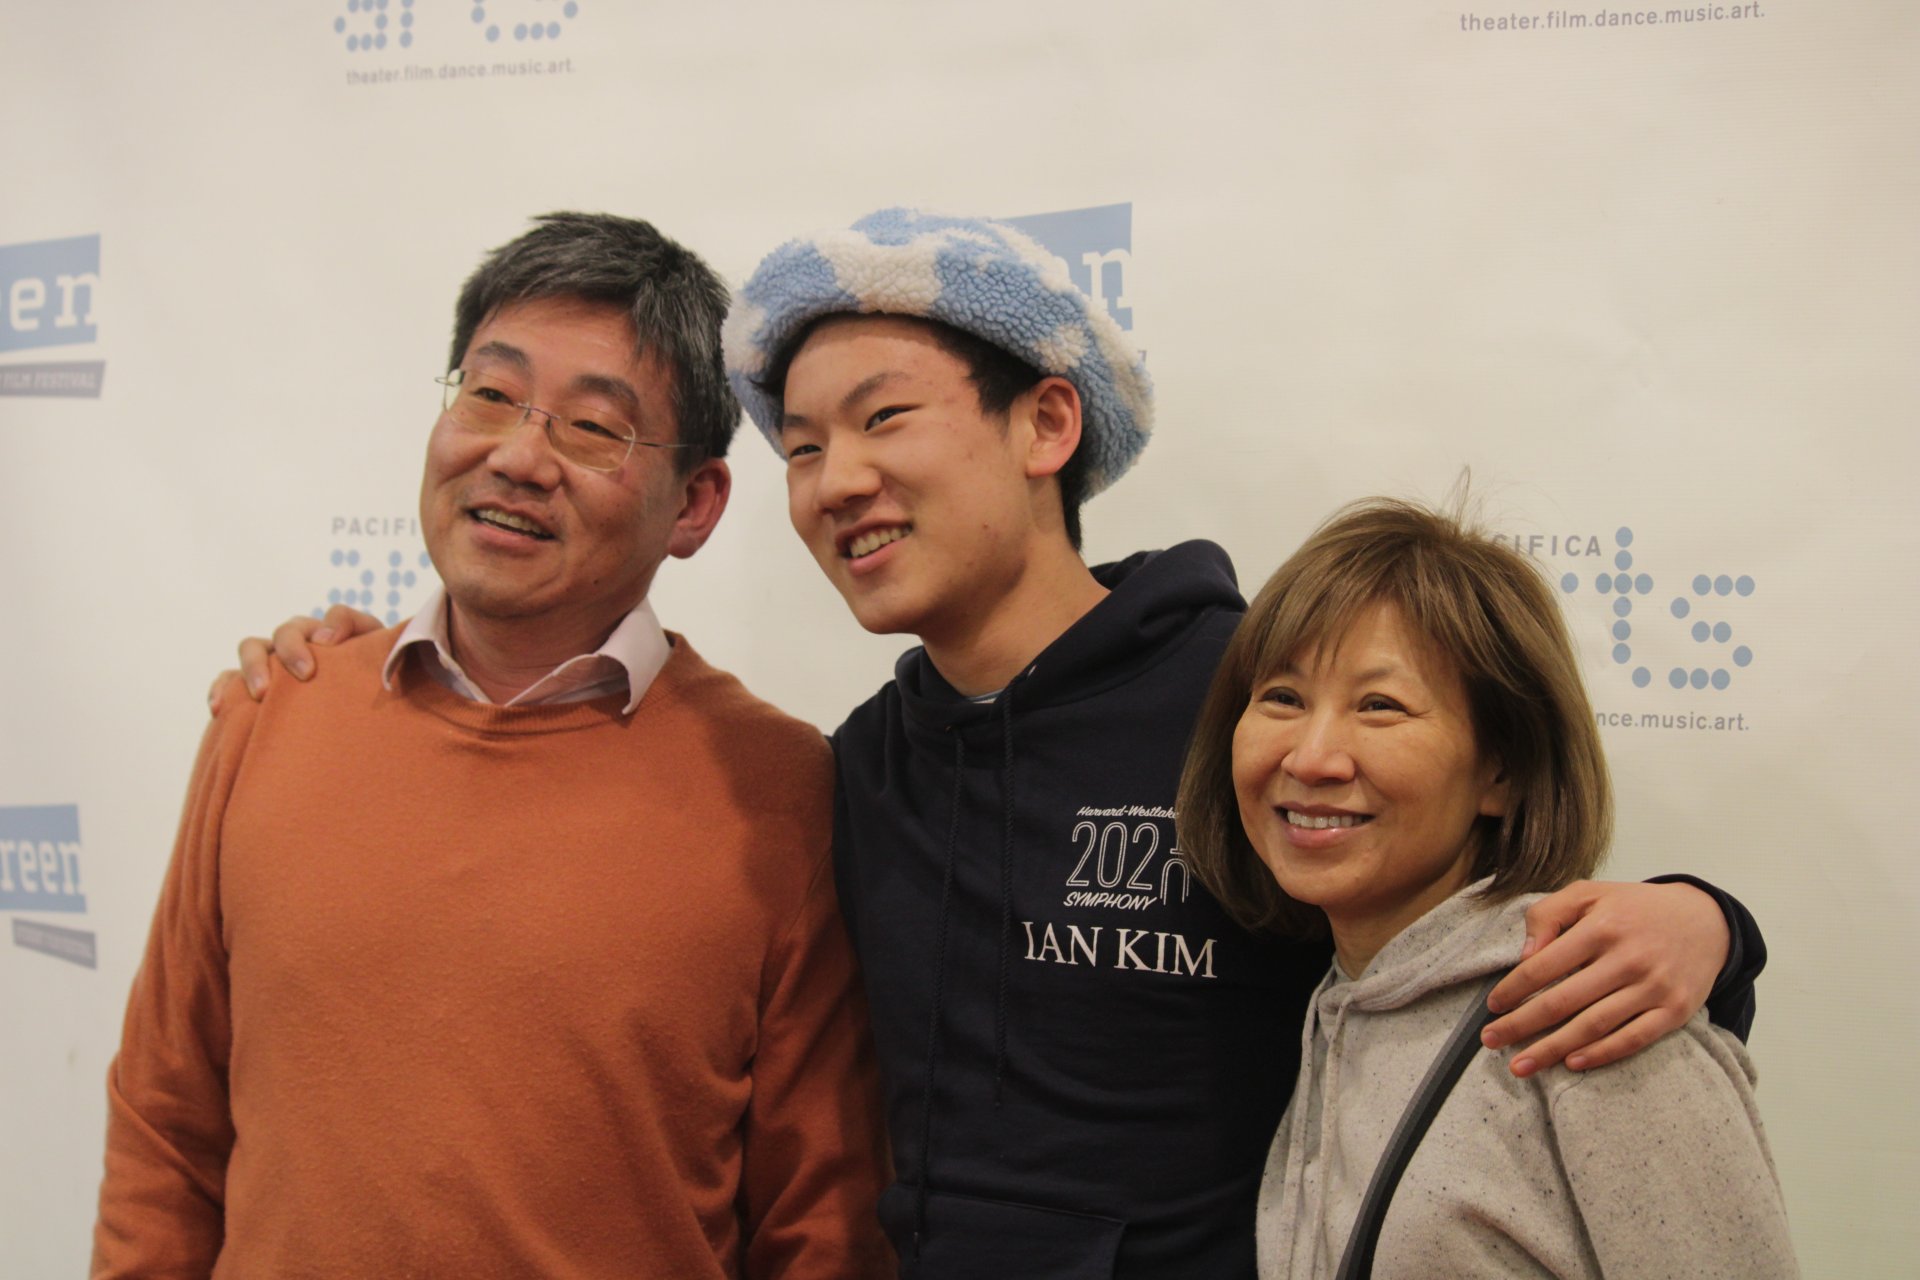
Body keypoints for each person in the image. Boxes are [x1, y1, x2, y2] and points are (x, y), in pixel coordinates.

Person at [233, 209, 1764, 1278]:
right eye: (804, 446)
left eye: (885, 420)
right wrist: (361, 684)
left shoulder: (1245, 705)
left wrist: (1706, 923)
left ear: (1046, 427)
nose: (837, 480)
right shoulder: (854, 771)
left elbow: (1461, 924)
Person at [95, 213, 891, 1279]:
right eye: (488, 394)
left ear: (695, 505)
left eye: (594, 427)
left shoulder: (779, 794)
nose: (516, 456)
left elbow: (824, 1224)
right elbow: (165, 1129)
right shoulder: (274, 711)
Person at [1176, 496, 1797, 1278]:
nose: (1311, 756)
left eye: (1380, 706)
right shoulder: (1336, 1005)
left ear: (1502, 771)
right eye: (1283, 698)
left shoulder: (1591, 1012)